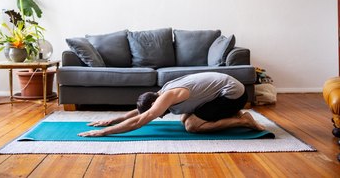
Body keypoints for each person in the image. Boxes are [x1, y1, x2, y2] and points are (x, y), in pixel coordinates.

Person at [78, 72, 265, 137]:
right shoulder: (161, 94)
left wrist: (104, 133)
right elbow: (139, 112)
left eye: (156, 111)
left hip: (234, 95)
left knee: (192, 126)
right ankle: (232, 116)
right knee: (184, 119)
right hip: (223, 91)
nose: (159, 115)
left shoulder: (168, 96)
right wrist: (111, 121)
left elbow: (140, 120)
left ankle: (244, 121)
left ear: (155, 102)